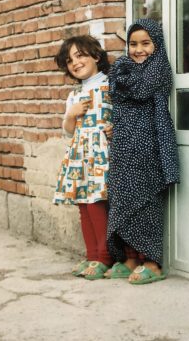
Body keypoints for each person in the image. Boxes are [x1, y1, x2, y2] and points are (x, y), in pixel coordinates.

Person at [106, 18, 179, 284]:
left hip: (149, 145)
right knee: (123, 197)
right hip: (125, 145)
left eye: (145, 43)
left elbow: (139, 92)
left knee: (146, 201)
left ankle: (152, 263)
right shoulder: (124, 70)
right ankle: (130, 258)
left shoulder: (158, 69)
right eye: (133, 44)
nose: (138, 50)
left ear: (157, 44)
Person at [53, 35, 113, 280]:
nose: (75, 63)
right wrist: (71, 114)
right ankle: (91, 256)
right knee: (83, 205)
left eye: (80, 56)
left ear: (96, 56)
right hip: (79, 155)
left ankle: (105, 257)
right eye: (69, 61)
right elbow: (67, 130)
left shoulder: (111, 85)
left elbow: (122, 117)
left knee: (96, 203)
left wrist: (115, 127)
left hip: (101, 153)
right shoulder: (74, 94)